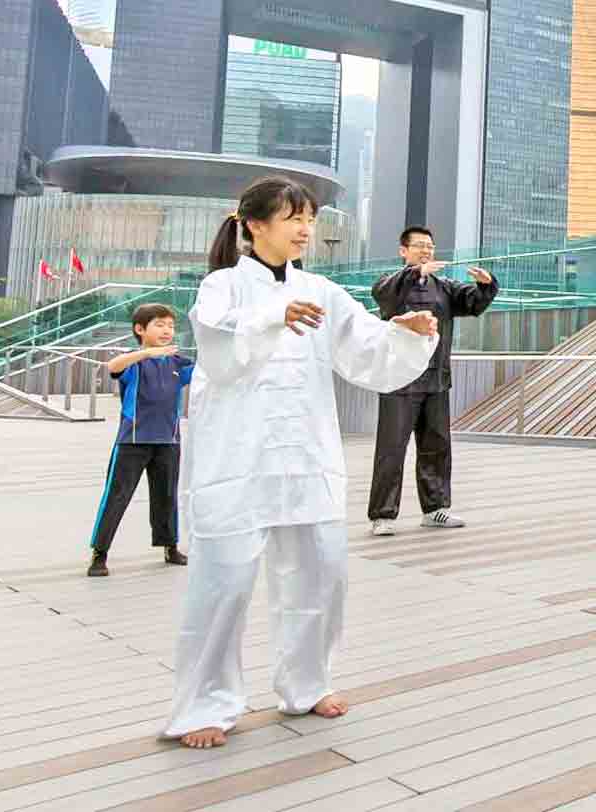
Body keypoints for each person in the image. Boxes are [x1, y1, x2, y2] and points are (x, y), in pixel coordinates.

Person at [165, 176, 438, 749]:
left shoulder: (323, 289)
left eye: (309, 218)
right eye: (292, 218)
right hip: (237, 456)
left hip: (306, 453)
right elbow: (217, 353)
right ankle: (205, 704)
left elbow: (364, 350)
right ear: (254, 224)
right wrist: (271, 318)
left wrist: (405, 333)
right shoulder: (222, 287)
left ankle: (306, 682)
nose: (305, 229)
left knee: (320, 570)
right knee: (225, 579)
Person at [366, 227, 499, 536]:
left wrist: (485, 284)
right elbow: (382, 295)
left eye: (430, 246)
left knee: (436, 445)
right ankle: (382, 515)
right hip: (399, 380)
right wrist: (415, 273)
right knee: (391, 447)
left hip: (436, 378)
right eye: (419, 246)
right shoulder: (393, 285)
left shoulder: (445, 287)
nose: (426, 250)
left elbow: (472, 302)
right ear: (404, 251)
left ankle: (435, 509)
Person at [86, 303, 196, 577]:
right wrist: (146, 353)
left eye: (171, 325)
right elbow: (112, 366)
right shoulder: (134, 362)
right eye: (159, 324)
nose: (167, 330)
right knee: (117, 496)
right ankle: (100, 554)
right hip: (132, 442)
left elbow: (208, 371)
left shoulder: (177, 363)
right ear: (140, 329)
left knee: (167, 496)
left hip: (168, 441)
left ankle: (170, 546)